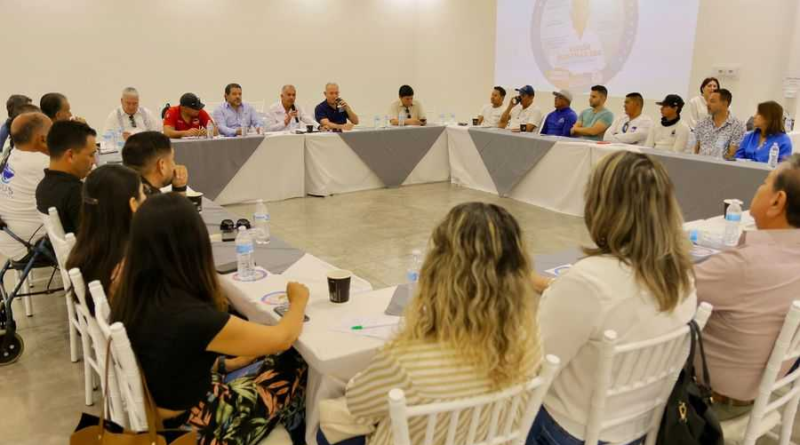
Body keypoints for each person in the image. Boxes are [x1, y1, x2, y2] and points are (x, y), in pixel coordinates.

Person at [319, 202, 542, 445]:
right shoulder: (530, 339)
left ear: (438, 271)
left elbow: (357, 404)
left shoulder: (408, 361)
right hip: (487, 437)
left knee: (327, 426)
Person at [110, 193, 309, 445]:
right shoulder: (190, 315)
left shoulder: (132, 297)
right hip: (200, 427)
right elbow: (282, 337)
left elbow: (170, 361)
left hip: (167, 416)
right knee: (296, 360)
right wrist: (298, 300)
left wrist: (227, 365)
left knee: (267, 362)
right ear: (194, 246)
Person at [527, 151, 697, 445]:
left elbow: (534, 366)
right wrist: (555, 287)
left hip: (569, 431)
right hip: (642, 427)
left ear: (601, 206)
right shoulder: (683, 276)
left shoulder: (587, 282)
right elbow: (614, 299)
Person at [695, 154, 800, 421]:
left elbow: (665, 291)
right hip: (765, 387)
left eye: (765, 182)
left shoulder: (745, 265)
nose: (759, 187)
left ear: (777, 201)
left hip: (706, 403)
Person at [65, 165, 145, 310]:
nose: (146, 198)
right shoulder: (131, 263)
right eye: (143, 192)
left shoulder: (89, 250)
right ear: (133, 204)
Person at [0, 112, 52, 260]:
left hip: (9, 241)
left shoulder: (14, 154)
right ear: (42, 139)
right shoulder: (42, 163)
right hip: (32, 246)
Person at [35, 120, 96, 235]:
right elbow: (96, 239)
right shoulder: (75, 193)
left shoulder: (42, 187)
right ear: (71, 155)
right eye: (91, 155)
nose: (94, 161)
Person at [122, 131, 189, 196]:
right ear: (162, 165)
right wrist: (180, 189)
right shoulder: (154, 201)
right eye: (172, 159)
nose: (175, 165)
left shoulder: (122, 189)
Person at [693, 89, 746, 159]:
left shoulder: (738, 126)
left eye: (712, 101)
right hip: (698, 163)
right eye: (708, 101)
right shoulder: (701, 123)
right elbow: (695, 149)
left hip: (721, 165)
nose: (707, 104)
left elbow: (731, 154)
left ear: (725, 104)